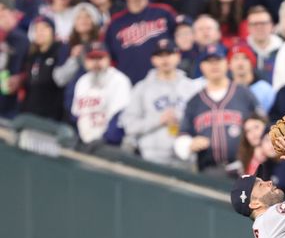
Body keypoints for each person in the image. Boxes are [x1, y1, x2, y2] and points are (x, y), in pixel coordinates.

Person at [175, 44, 260, 174]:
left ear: (226, 63)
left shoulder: (244, 94)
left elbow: (263, 126)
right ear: (202, 66)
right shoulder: (194, 102)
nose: (214, 65)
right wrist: (190, 144)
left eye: (218, 60)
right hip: (208, 170)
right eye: (209, 62)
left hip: (243, 168)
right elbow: (183, 136)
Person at [121, 38, 202, 169]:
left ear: (177, 56)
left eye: (169, 54)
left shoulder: (191, 88)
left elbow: (202, 123)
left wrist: (182, 120)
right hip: (150, 158)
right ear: (153, 59)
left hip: (185, 158)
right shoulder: (142, 88)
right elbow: (129, 126)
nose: (165, 60)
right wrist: (159, 120)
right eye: (160, 55)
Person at [104, 0, 176, 85]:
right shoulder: (114, 23)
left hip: (165, 81)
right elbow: (108, 56)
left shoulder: (164, 12)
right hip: (130, 84)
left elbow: (180, 41)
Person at [71, 42, 132, 145]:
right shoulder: (82, 82)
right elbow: (76, 115)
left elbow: (119, 119)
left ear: (108, 59)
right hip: (85, 144)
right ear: (85, 61)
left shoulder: (119, 81)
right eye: (92, 58)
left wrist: (105, 142)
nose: (96, 62)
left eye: (100, 58)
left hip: (111, 146)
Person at [21, 15, 64, 121]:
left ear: (53, 31)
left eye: (45, 28)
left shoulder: (60, 51)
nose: (40, 32)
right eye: (37, 29)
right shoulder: (32, 56)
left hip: (52, 115)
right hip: (31, 113)